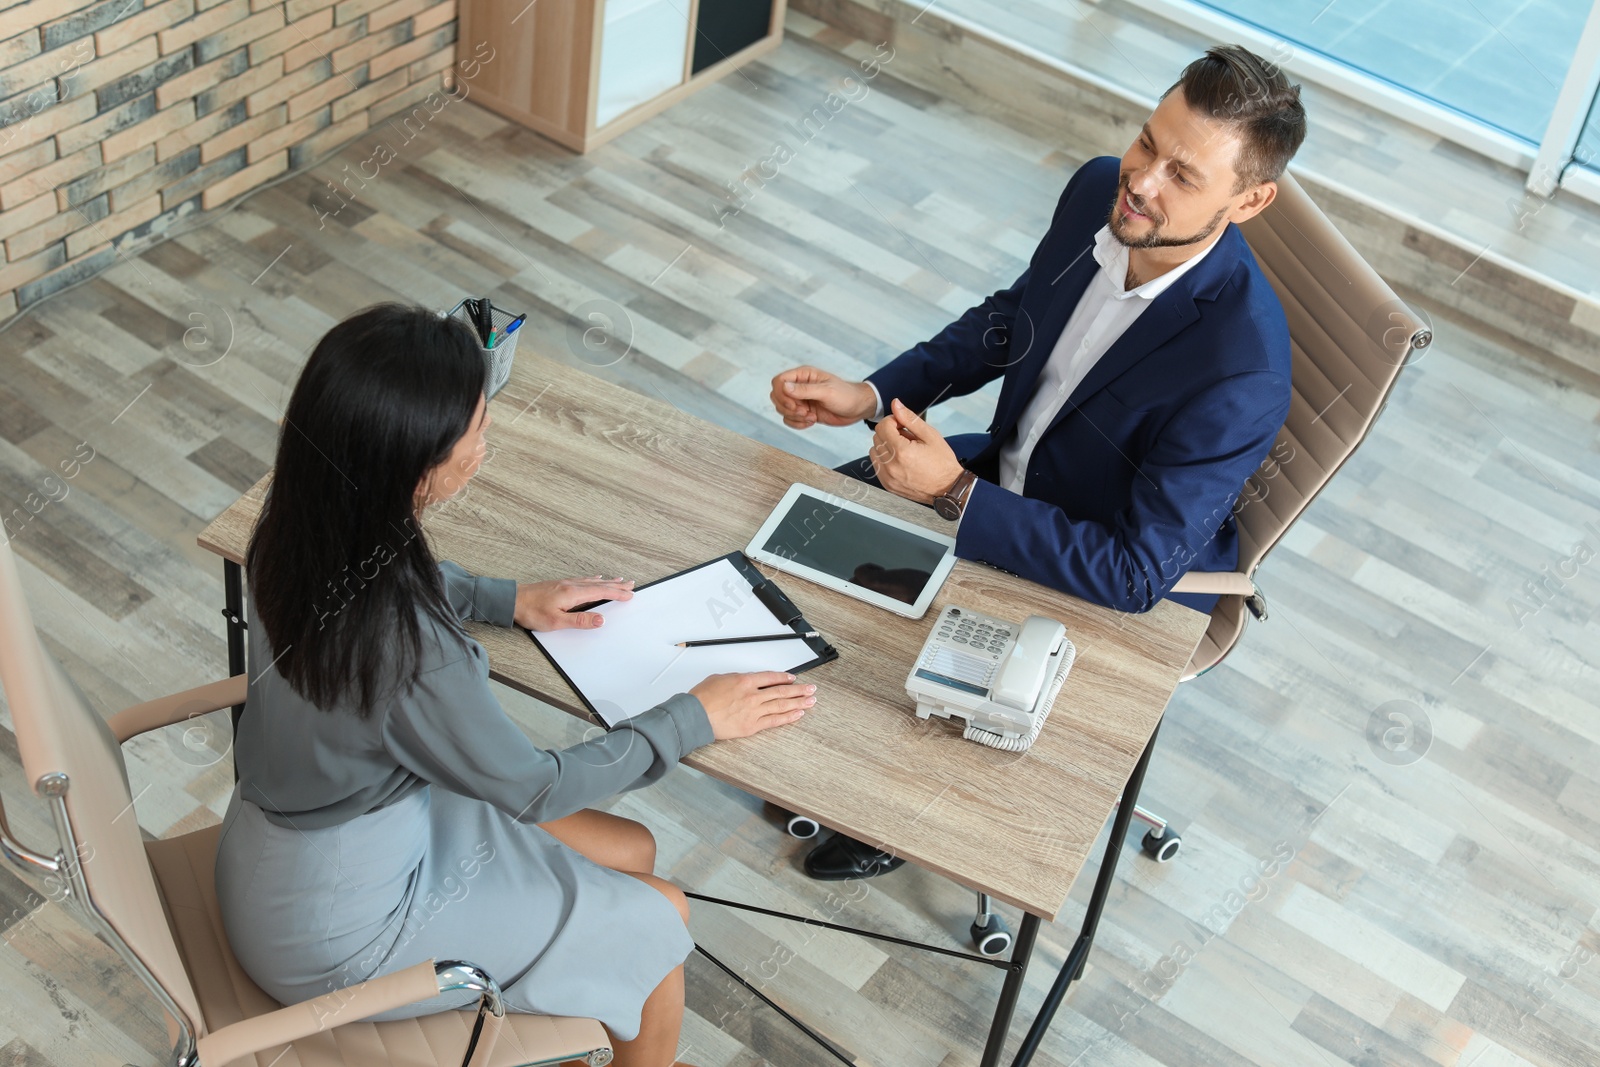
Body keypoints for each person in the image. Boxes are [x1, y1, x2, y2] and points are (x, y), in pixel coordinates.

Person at [214, 303, 817, 1067]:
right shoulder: (410, 651)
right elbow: (534, 787)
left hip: (283, 853)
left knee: (631, 847)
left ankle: (580, 1038)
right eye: (475, 426)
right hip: (336, 934)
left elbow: (395, 574)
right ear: (413, 465)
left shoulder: (292, 528)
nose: (485, 439)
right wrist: (694, 716)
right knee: (660, 917)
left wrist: (508, 599)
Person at [770, 45, 1303, 881]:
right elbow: (1013, 318)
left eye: (1183, 176)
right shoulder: (1100, 189)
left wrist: (952, 492)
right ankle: (813, 732)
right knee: (794, 542)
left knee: (881, 649)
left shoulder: (1243, 367)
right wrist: (873, 393)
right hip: (996, 479)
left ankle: (891, 799)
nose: (1143, 183)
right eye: (1146, 143)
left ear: (1251, 200)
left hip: (1089, 569)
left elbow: (1133, 572)